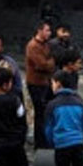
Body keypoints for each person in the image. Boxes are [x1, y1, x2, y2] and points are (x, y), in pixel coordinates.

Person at [26, 21, 55, 149]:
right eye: (47, 30)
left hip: (45, 82)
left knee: (46, 112)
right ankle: (40, 143)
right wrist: (50, 63)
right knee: (40, 114)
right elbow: (42, 65)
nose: (49, 33)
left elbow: (50, 61)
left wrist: (49, 63)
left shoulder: (46, 45)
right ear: (39, 31)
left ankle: (46, 139)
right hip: (36, 83)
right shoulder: (33, 46)